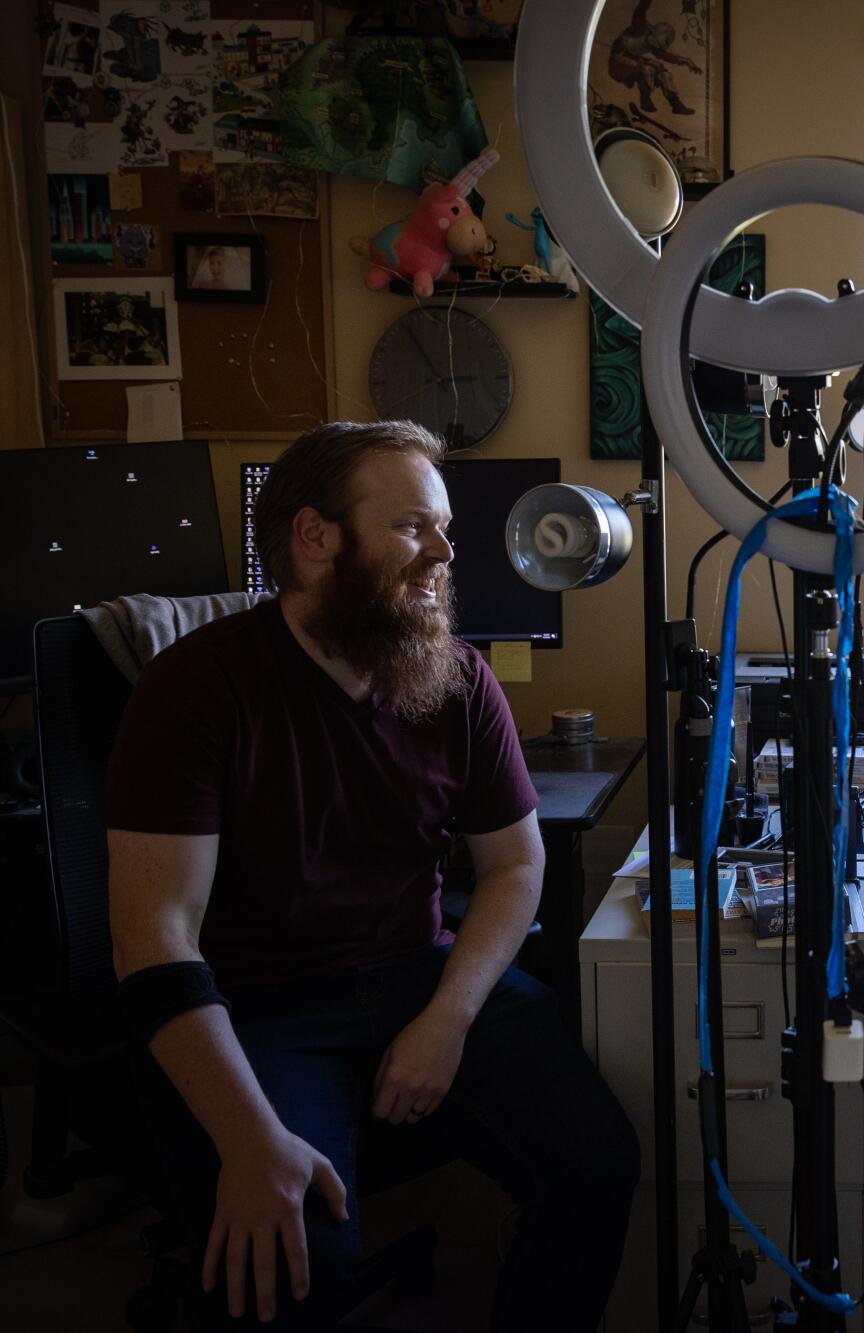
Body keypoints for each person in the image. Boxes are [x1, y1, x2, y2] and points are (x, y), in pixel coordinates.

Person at [105, 420, 640, 1330]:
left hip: (415, 975)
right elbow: (153, 932)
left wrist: (448, 1017)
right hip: (261, 1004)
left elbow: (514, 863)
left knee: (597, 1157)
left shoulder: (457, 679)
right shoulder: (194, 689)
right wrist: (248, 1138)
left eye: (443, 531)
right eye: (411, 528)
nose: (443, 551)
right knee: (290, 1247)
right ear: (315, 539)